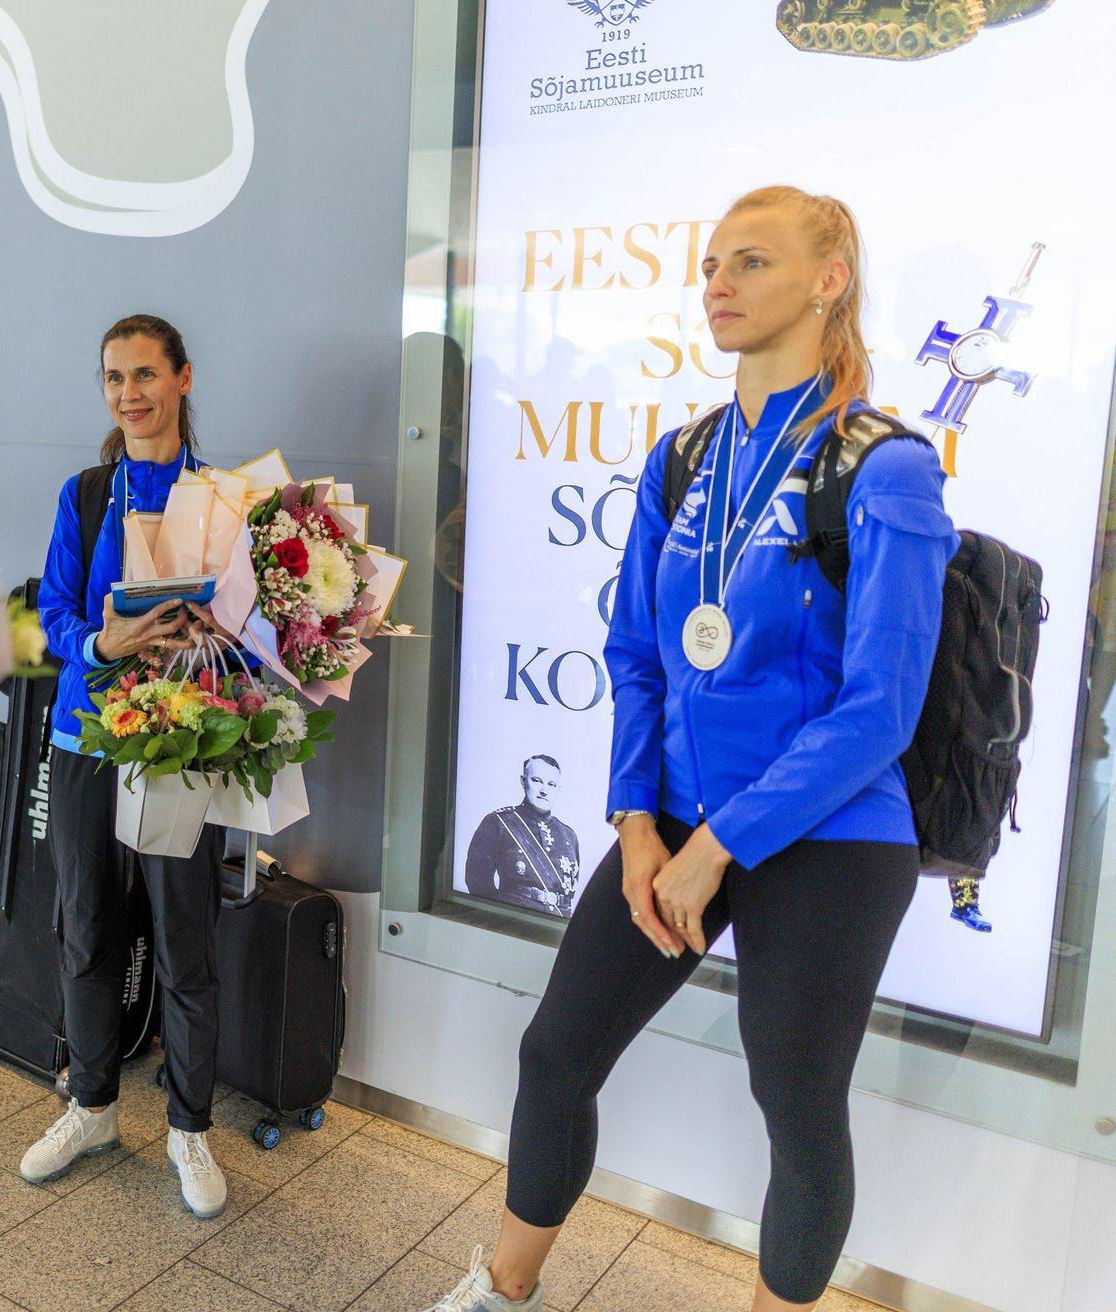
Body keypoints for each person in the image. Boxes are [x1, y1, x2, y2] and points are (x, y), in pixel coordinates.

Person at [427, 185, 958, 1312]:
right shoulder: (683, 460)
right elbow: (635, 653)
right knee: (554, 1053)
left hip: (828, 829)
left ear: (828, 279)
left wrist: (715, 843)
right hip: (670, 817)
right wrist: (633, 824)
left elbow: (878, 710)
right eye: (710, 262)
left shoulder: (886, 467)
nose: (714, 283)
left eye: (749, 262)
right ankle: (503, 1287)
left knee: (795, 1100)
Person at [21, 313, 230, 1219]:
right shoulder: (87, 492)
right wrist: (100, 639)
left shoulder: (224, 500)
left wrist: (227, 635)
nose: (128, 393)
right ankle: (93, 1106)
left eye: (145, 374)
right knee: (86, 933)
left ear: (183, 378)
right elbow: (53, 611)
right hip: (85, 742)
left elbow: (254, 628)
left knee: (185, 946)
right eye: (113, 377)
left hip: (180, 743)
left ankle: (190, 1130)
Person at [464, 755, 581, 916]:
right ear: (522, 781)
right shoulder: (499, 822)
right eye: (537, 781)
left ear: (558, 789)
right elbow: (477, 881)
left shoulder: (569, 835)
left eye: (551, 784)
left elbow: (570, 893)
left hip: (558, 923)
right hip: (513, 920)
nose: (544, 790)